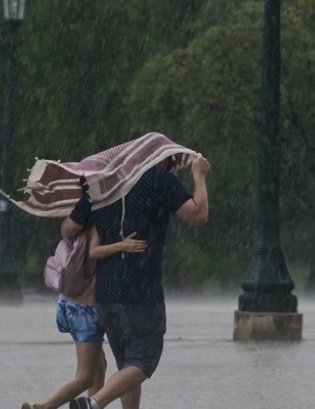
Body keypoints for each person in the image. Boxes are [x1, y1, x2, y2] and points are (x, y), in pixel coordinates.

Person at [60, 153, 210, 409]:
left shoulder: (104, 184)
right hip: (141, 290)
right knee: (143, 361)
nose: (173, 168)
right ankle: (94, 404)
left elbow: (68, 229)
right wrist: (199, 175)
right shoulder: (158, 179)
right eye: (171, 162)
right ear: (161, 160)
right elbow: (198, 215)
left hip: (106, 292)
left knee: (126, 368)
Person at [23, 190, 148, 409]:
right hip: (86, 309)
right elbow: (93, 252)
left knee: (99, 365)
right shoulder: (103, 220)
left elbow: (68, 229)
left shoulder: (84, 218)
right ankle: (43, 407)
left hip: (70, 302)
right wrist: (122, 246)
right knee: (86, 376)